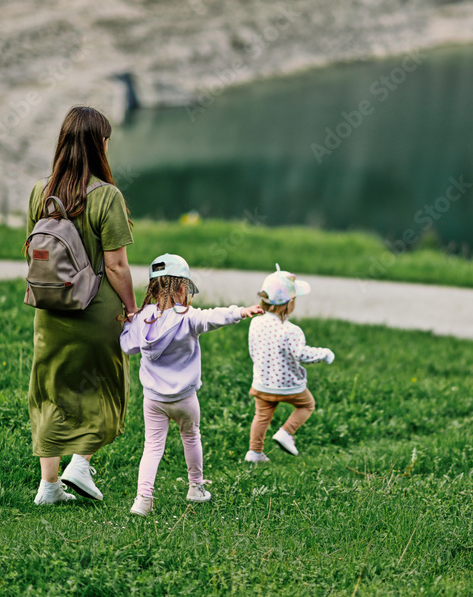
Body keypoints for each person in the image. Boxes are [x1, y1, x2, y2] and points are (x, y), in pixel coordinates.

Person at [27, 106, 138, 505]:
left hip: (49, 310)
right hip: (95, 309)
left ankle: (49, 487)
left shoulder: (40, 192)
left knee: (51, 391)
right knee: (105, 386)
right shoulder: (106, 195)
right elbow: (116, 265)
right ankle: (80, 464)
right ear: (98, 144)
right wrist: (131, 308)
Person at [120, 253, 263, 517]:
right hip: (185, 399)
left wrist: (130, 325)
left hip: (154, 399)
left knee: (152, 446)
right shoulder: (188, 317)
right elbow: (212, 317)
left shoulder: (143, 317)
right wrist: (240, 312)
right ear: (182, 288)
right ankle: (196, 487)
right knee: (191, 437)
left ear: (154, 288)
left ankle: (143, 499)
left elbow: (128, 347)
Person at [245, 265, 334, 463]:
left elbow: (253, 350)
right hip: (289, 386)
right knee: (307, 405)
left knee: (261, 417)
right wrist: (324, 354)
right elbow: (302, 354)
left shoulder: (255, 322)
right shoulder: (291, 330)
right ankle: (286, 432)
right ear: (290, 302)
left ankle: (254, 452)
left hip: (262, 383)